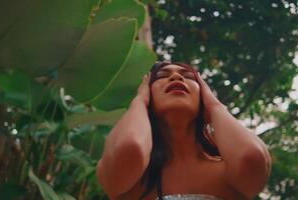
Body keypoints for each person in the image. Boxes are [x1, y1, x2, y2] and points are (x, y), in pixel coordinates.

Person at [96, 62, 272, 200]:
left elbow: (251, 157)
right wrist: (140, 101)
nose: (175, 77)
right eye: (162, 76)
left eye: (188, 76)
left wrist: (213, 105)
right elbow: (130, 146)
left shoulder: (227, 171)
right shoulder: (134, 177)